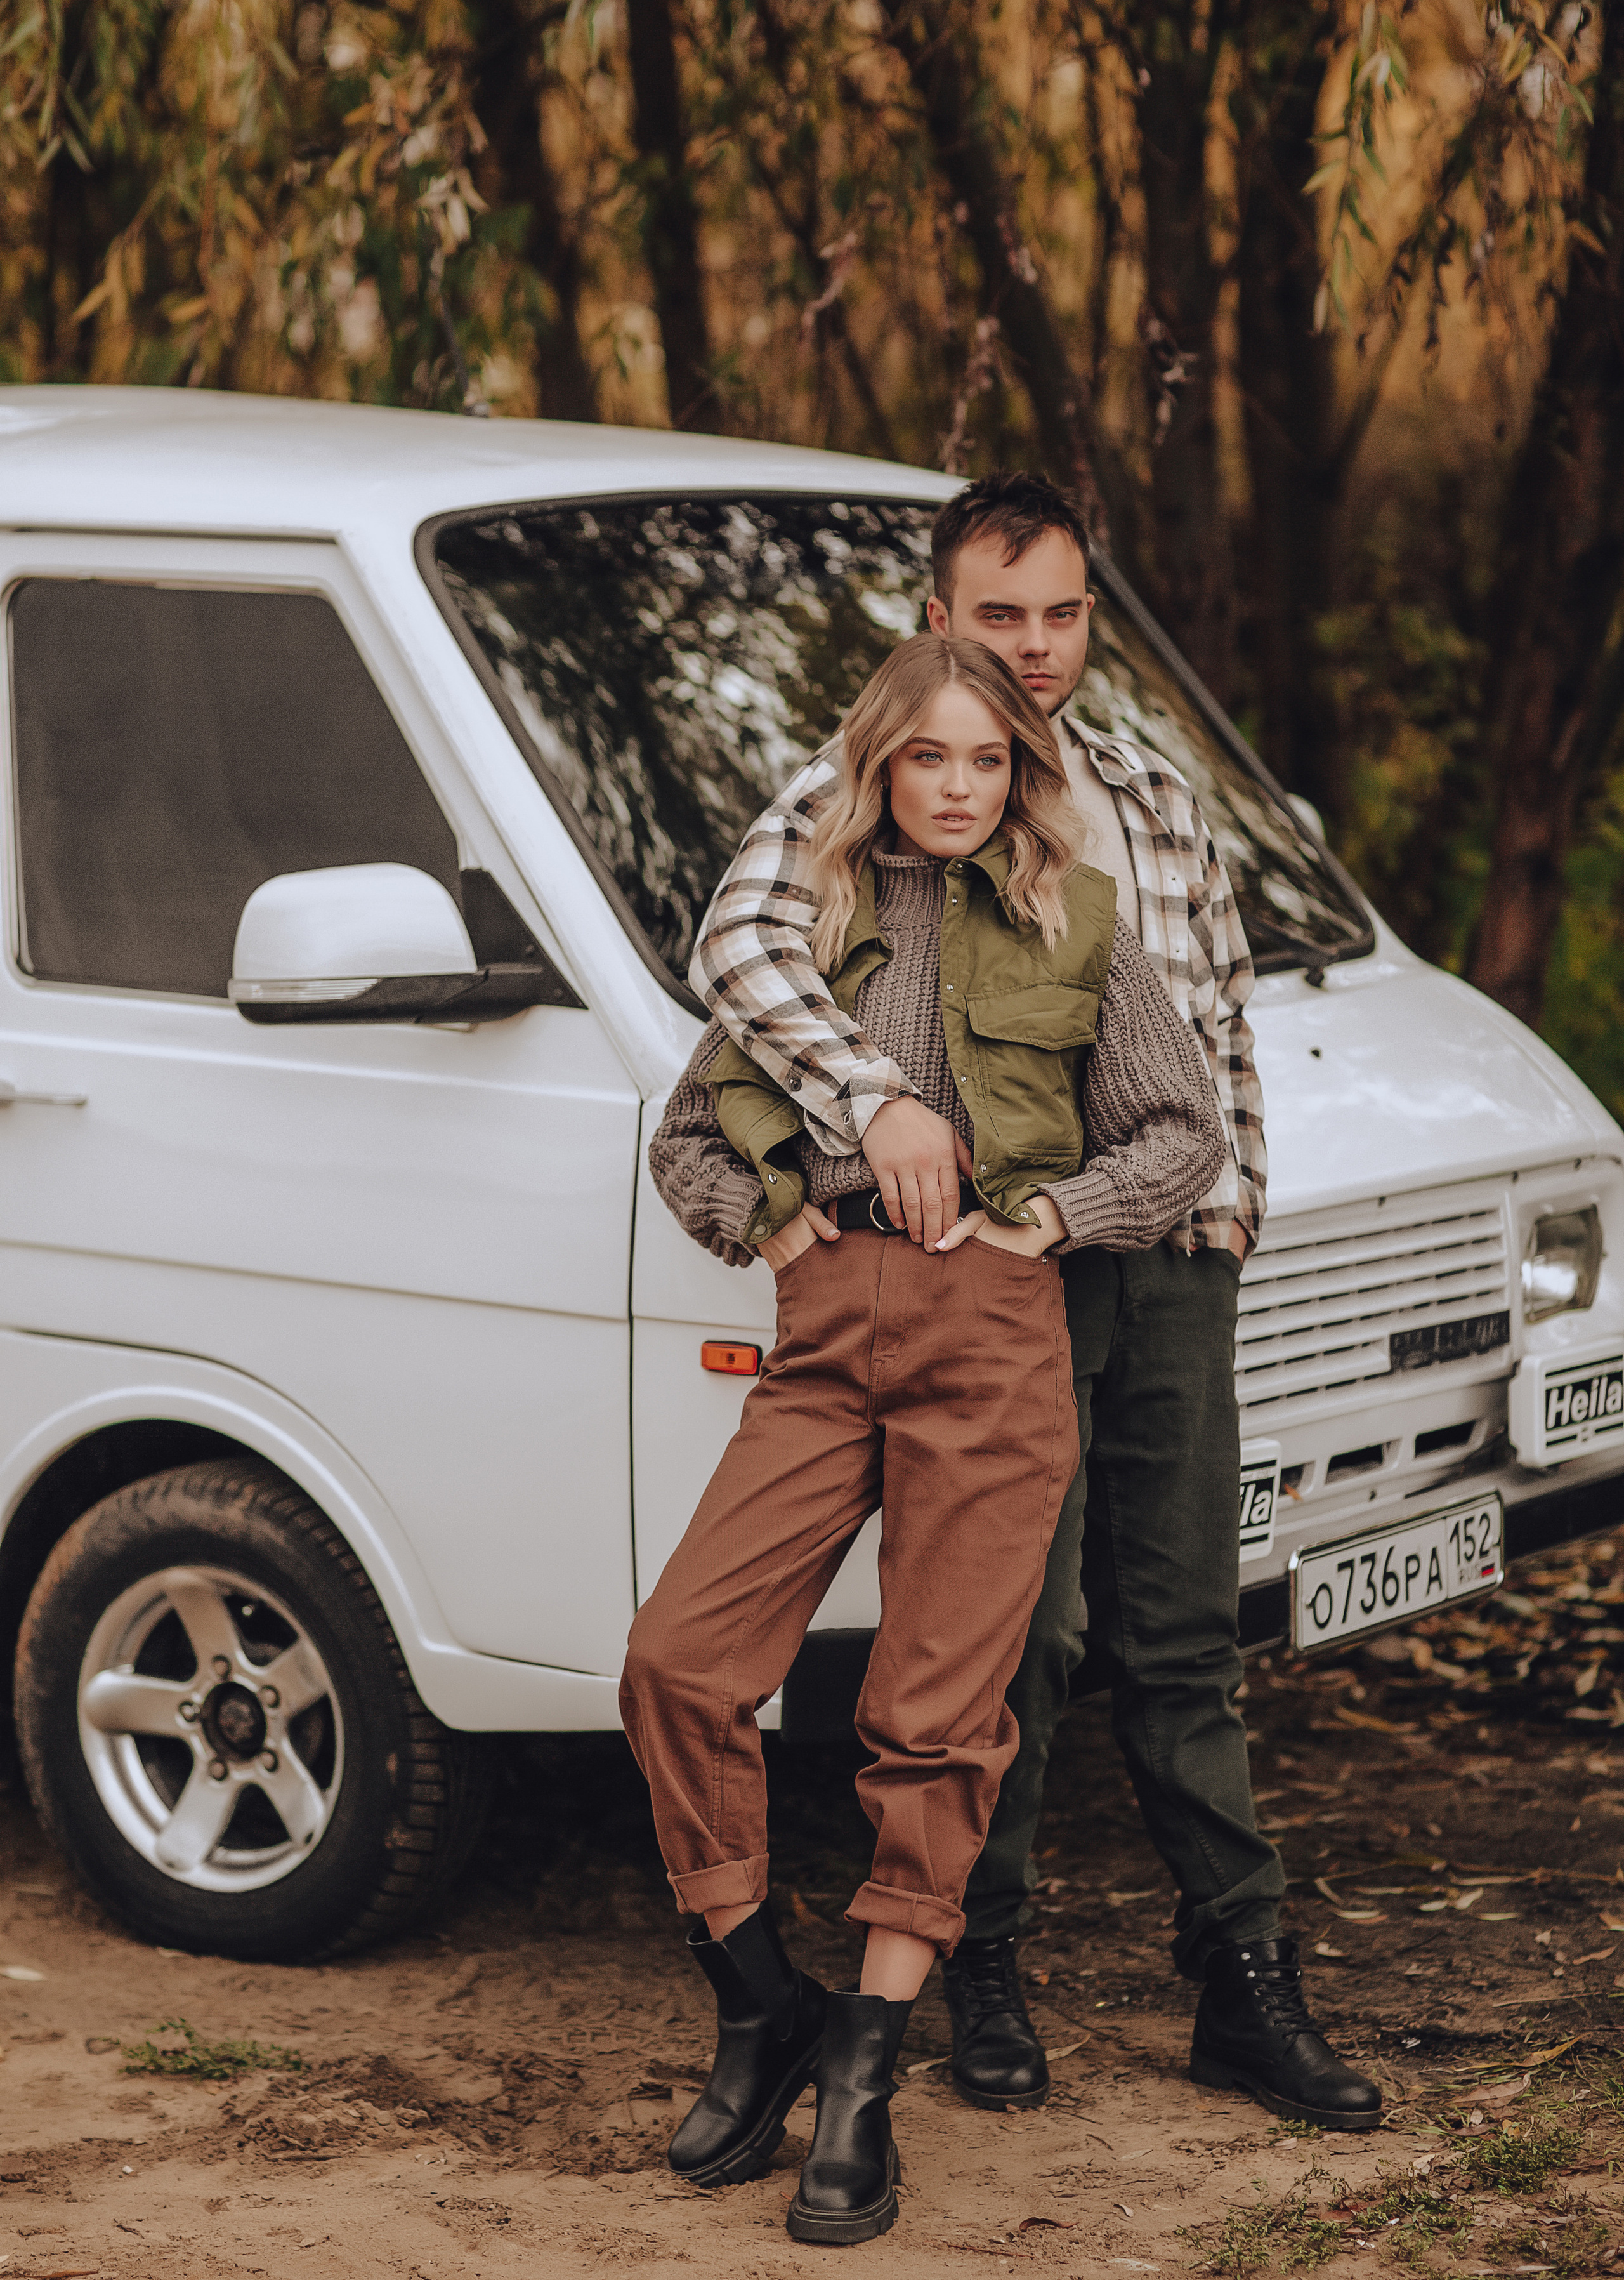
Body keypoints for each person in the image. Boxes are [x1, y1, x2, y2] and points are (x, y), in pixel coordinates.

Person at [688, 471, 1382, 2135]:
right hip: (1001, 1277)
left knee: (1186, 1634)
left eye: (1061, 613)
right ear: (939, 619)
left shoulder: (1151, 796)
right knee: (1019, 1640)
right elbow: (743, 956)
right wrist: (873, 1117)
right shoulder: (864, 785)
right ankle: (979, 1962)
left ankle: (1242, 1975)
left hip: (1165, 1255)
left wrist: (1225, 1215)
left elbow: (1214, 1028)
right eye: (999, 616)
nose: (1035, 646)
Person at [624, 632, 1226, 2246]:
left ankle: (865, 2070)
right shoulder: (807, 935)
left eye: (986, 759)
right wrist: (773, 1231)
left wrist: (1052, 1221)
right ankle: (760, 2001)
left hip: (993, 1344)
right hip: (826, 1337)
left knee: (934, 1718)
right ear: (875, 768)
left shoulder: (1072, 922)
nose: (957, 788)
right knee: (677, 1665)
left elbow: (1183, 1131)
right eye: (926, 758)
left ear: (1019, 774)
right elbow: (685, 1135)